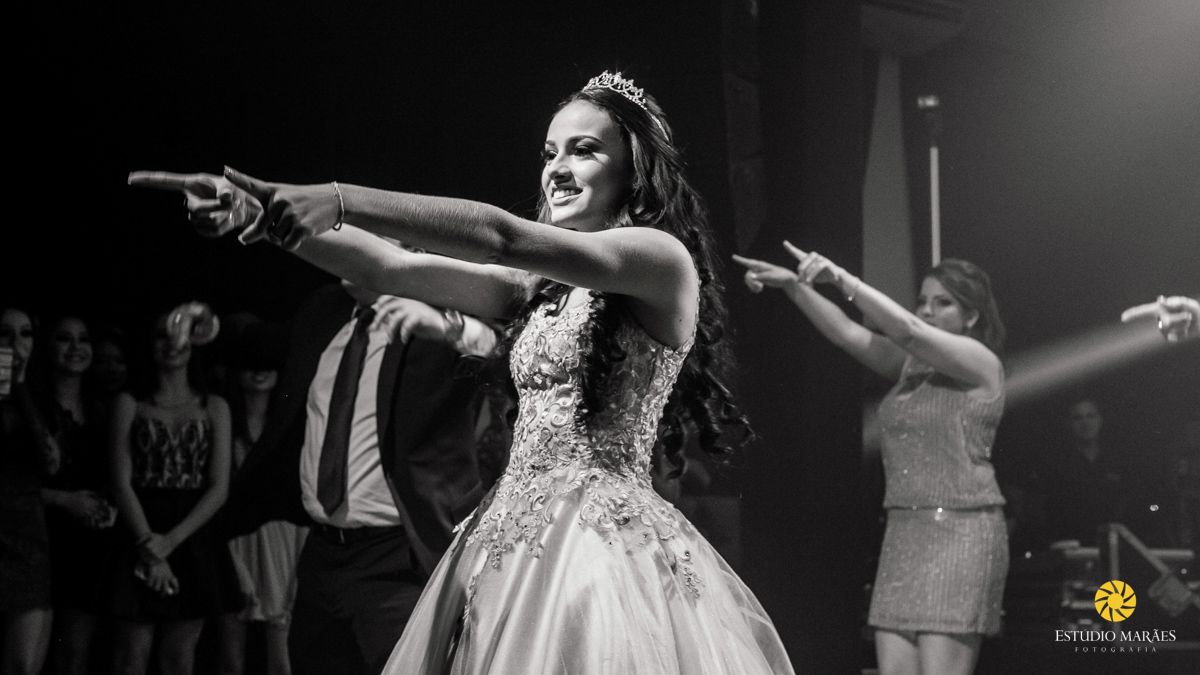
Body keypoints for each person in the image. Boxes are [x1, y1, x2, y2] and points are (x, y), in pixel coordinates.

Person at [130, 71, 794, 674]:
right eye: (550, 152)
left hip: (595, 550)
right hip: (511, 537)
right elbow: (390, 268)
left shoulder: (660, 259)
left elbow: (502, 236)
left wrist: (337, 198)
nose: (558, 169)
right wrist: (262, 214)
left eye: (584, 150)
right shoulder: (540, 286)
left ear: (636, 168)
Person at [157, 280, 497, 675]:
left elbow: (504, 351)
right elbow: (259, 341)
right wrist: (211, 328)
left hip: (398, 555)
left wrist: (454, 329)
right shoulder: (326, 309)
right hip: (322, 554)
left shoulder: (437, 309)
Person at [733, 249, 1007, 675]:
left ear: (971, 316)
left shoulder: (981, 363)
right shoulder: (912, 368)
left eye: (943, 303)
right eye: (923, 301)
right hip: (904, 533)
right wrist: (793, 287)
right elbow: (847, 333)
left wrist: (842, 278)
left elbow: (910, 331)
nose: (927, 311)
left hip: (962, 533)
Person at [101, 312, 241, 675]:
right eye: (163, 335)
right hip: (139, 525)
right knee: (130, 658)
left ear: (194, 343)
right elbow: (120, 482)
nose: (172, 343)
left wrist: (170, 543)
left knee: (179, 660)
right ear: (150, 345)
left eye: (179, 335)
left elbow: (219, 487)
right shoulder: (129, 403)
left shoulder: (215, 406)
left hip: (192, 532)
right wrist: (150, 545)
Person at [34, 314, 118, 675]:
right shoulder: (28, 406)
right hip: (37, 539)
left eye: (83, 339)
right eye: (64, 338)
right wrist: (66, 501)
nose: (76, 347)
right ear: (47, 347)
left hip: (88, 545)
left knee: (74, 655)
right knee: (29, 655)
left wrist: (105, 506)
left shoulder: (104, 409)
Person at [217, 365, 304, 675]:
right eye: (250, 361)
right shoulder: (227, 425)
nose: (259, 369)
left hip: (284, 543)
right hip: (234, 542)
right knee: (231, 662)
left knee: (282, 659)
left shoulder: (290, 427)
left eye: (267, 361)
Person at [1, 306, 60, 675]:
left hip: (25, 542)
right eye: (5, 333)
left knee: (22, 664)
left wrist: (18, 384)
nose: (16, 343)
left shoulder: (39, 396)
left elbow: (50, 463)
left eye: (25, 334)